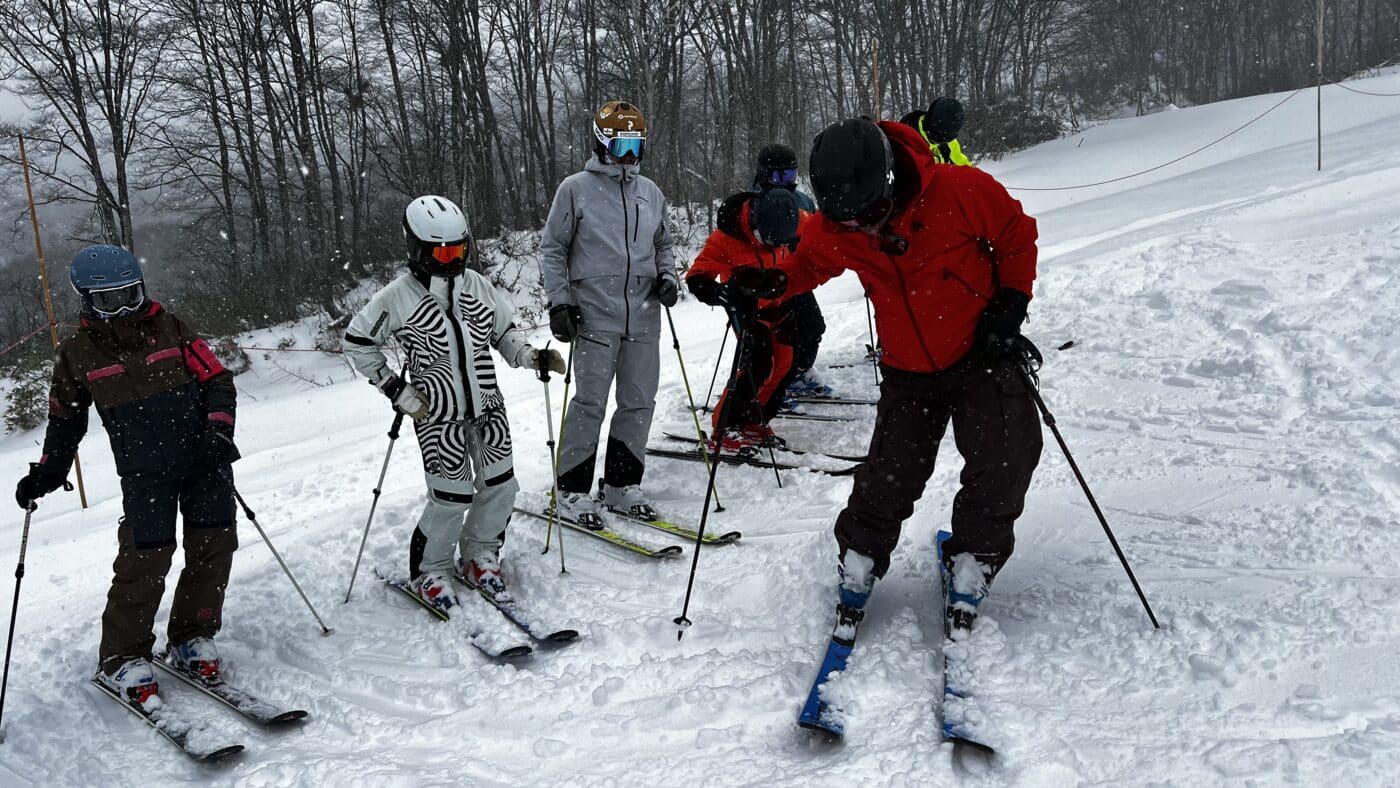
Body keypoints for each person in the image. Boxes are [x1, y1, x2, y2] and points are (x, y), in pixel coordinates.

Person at [775, 117, 1042, 636]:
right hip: (908, 369)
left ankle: (975, 558)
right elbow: (806, 264)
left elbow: (1016, 235)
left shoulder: (962, 190)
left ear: (890, 183)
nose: (863, 231)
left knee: (1006, 454)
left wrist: (1011, 303)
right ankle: (860, 559)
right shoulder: (842, 225)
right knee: (890, 475)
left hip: (981, 351)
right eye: (848, 223)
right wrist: (769, 283)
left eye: (870, 216)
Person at [13, 245, 240, 706]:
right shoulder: (77, 353)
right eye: (107, 300)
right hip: (144, 474)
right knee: (144, 561)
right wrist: (49, 472)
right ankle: (123, 658)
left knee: (213, 547)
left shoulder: (171, 327)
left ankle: (193, 635)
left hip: (203, 461)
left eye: (128, 296)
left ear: (141, 289)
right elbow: (65, 420)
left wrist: (217, 432)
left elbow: (217, 380)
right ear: (87, 301)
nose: (121, 309)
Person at [344, 195, 563, 613]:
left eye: (459, 250)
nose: (452, 259)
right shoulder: (396, 297)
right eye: (441, 251)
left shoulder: (477, 285)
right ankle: (431, 569)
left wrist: (530, 357)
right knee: (451, 497)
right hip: (436, 413)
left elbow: (503, 332)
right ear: (417, 249)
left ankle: (480, 554)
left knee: (501, 486)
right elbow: (358, 342)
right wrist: (393, 388)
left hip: (488, 407)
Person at [538, 101, 679, 524]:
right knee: (590, 402)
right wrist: (560, 301)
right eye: (622, 146)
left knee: (638, 401)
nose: (630, 156)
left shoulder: (650, 192)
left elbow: (663, 245)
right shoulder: (575, 188)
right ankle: (571, 488)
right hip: (594, 314)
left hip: (644, 314)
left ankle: (620, 484)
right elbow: (553, 247)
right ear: (602, 144)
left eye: (637, 145)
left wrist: (668, 277)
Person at [686, 188, 802, 451]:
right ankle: (725, 426)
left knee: (785, 361)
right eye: (770, 241)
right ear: (756, 225)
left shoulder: (784, 221)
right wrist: (718, 293)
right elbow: (697, 276)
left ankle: (754, 418)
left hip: (777, 305)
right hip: (746, 309)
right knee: (758, 364)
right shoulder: (727, 238)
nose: (775, 247)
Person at [748, 144, 833, 402]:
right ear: (765, 175)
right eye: (779, 177)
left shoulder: (801, 200)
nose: (786, 183)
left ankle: (797, 373)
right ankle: (771, 383)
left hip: (796, 276)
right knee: (776, 339)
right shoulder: (754, 203)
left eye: (790, 176)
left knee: (813, 326)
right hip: (767, 281)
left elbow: (818, 227)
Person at [900, 97, 973, 166]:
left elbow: (964, 165)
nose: (942, 142)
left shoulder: (948, 143)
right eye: (939, 139)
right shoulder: (906, 142)